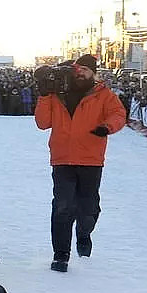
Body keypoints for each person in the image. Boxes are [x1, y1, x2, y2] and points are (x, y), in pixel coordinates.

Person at [34, 54, 126, 273]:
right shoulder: (57, 94)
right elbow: (42, 123)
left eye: (85, 69)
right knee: (63, 206)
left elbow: (119, 114)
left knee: (88, 208)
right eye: (78, 69)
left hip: (90, 159)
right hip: (62, 158)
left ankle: (84, 233)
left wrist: (107, 126)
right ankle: (61, 255)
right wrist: (44, 95)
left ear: (93, 72)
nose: (80, 73)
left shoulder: (103, 94)